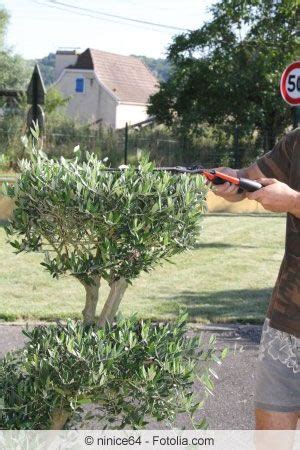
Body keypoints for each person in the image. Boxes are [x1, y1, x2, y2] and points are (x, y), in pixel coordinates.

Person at [213, 127, 300, 430]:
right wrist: (231, 181)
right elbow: (251, 178)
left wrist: (293, 202)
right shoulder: (296, 142)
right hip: (286, 326)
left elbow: (291, 201)